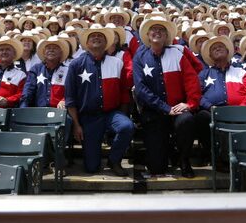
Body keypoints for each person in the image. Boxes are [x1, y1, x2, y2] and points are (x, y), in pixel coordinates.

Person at [132, 15, 201, 178]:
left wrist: (190, 104)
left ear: (166, 36)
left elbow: (191, 80)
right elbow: (140, 89)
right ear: (148, 35)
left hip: (177, 109)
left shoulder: (177, 54)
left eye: (161, 30)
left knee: (187, 120)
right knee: (157, 168)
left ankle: (184, 159)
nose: (157, 33)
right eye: (153, 30)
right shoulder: (139, 57)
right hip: (154, 112)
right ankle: (168, 150)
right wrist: (165, 108)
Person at [65, 25, 134, 177]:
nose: (96, 38)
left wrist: (122, 115)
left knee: (126, 126)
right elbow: (70, 98)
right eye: (92, 36)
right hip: (88, 118)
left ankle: (114, 160)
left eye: (100, 36)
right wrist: (77, 125)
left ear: (107, 42)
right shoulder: (76, 65)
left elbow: (123, 92)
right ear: (87, 43)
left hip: (111, 113)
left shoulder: (116, 62)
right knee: (91, 167)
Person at [193, 36, 246, 161]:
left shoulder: (241, 72)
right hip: (212, 111)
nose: (218, 49)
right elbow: (197, 95)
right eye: (214, 48)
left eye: (220, 47)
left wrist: (240, 109)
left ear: (228, 52)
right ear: (210, 56)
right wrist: (210, 107)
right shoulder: (203, 74)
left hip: (239, 112)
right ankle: (213, 155)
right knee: (201, 117)